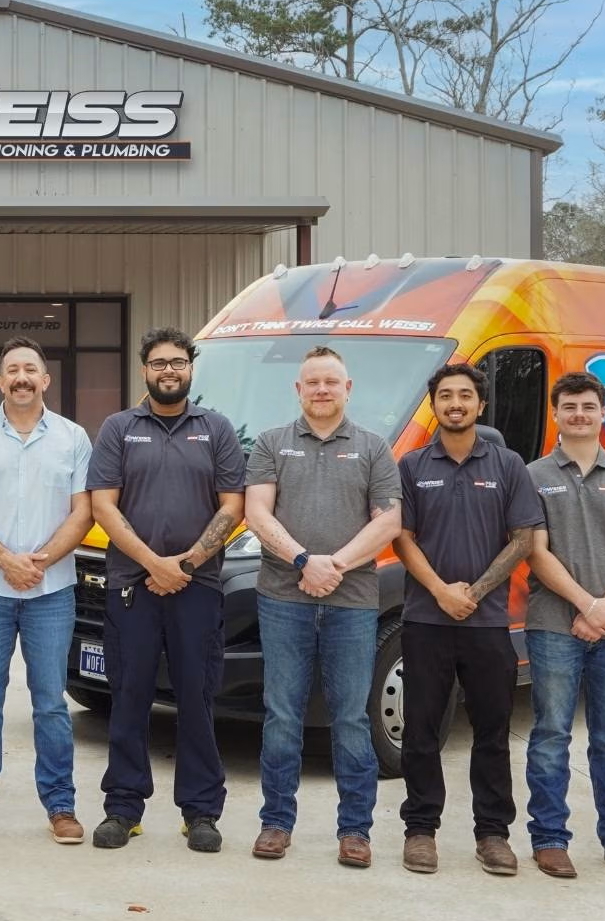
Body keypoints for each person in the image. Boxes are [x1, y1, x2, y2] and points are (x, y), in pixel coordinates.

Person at [241, 346, 402, 868]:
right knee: (282, 714)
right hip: (283, 599)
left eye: (331, 382)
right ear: (298, 390)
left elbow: (388, 522)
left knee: (351, 718)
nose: (321, 390)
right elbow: (257, 514)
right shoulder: (271, 443)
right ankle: (275, 823)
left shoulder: (375, 448)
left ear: (348, 388)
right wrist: (304, 560)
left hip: (353, 604)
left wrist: (333, 565)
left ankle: (355, 831)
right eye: (312, 382)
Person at [87, 326, 245, 854]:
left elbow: (233, 505)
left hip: (196, 587)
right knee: (128, 696)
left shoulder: (216, 428)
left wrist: (188, 561)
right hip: (133, 585)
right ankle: (123, 808)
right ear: (144, 370)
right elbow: (103, 504)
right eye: (159, 363)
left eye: (178, 362)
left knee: (196, 699)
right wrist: (154, 562)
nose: (169, 371)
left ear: (191, 369)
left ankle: (201, 811)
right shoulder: (117, 428)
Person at [393, 362, 542, 877]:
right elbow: (402, 538)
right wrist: (440, 591)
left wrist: (474, 593)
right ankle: (420, 829)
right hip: (425, 621)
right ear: (432, 405)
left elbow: (523, 538)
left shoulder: (507, 465)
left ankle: (493, 834)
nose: (455, 404)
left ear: (481, 405)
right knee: (421, 729)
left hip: (486, 622)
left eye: (465, 396)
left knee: (492, 731)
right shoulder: (412, 466)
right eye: (445, 396)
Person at [0, 336, 94, 845]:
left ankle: (61, 805)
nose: (22, 378)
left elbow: (83, 511)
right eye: (12, 370)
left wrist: (41, 561)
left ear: (46, 379)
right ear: (0, 380)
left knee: (50, 702)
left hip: (52, 590)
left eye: (31, 369)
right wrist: (6, 560)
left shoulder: (74, 438)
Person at [523, 371, 605, 880]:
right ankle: (550, 838)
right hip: (553, 625)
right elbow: (535, 552)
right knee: (551, 734)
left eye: (588, 407)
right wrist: (584, 603)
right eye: (569, 407)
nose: (579, 415)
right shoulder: (532, 476)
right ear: (555, 414)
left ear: (603, 415)